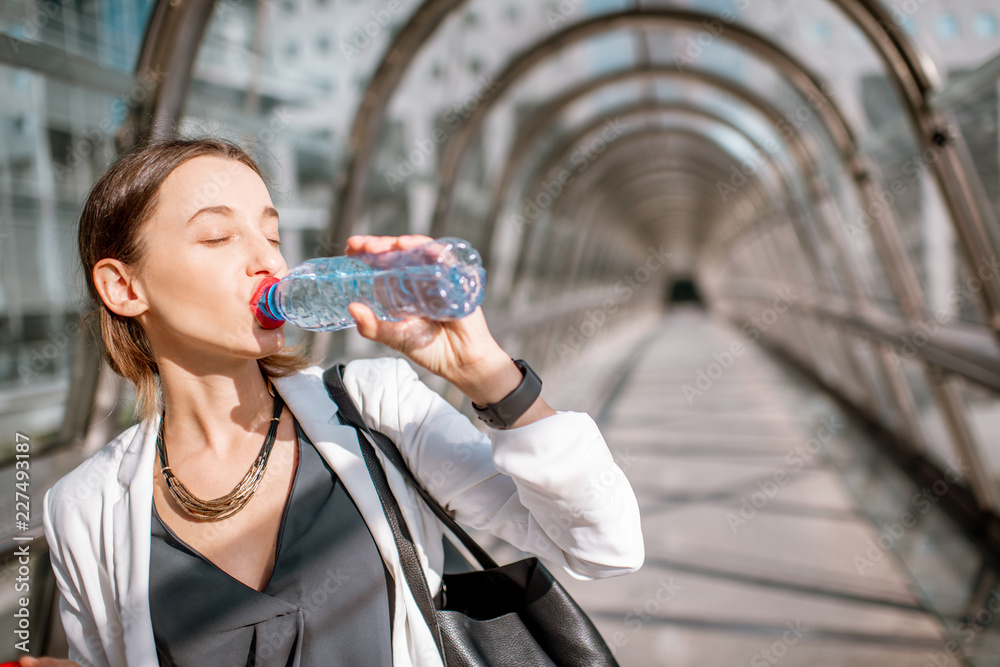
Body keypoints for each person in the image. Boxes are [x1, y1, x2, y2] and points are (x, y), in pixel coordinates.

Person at [26, 138, 644, 667]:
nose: (268, 259)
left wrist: (489, 377)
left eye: (272, 234)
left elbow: (603, 545)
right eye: (218, 236)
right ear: (124, 286)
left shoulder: (374, 408)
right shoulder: (85, 508)